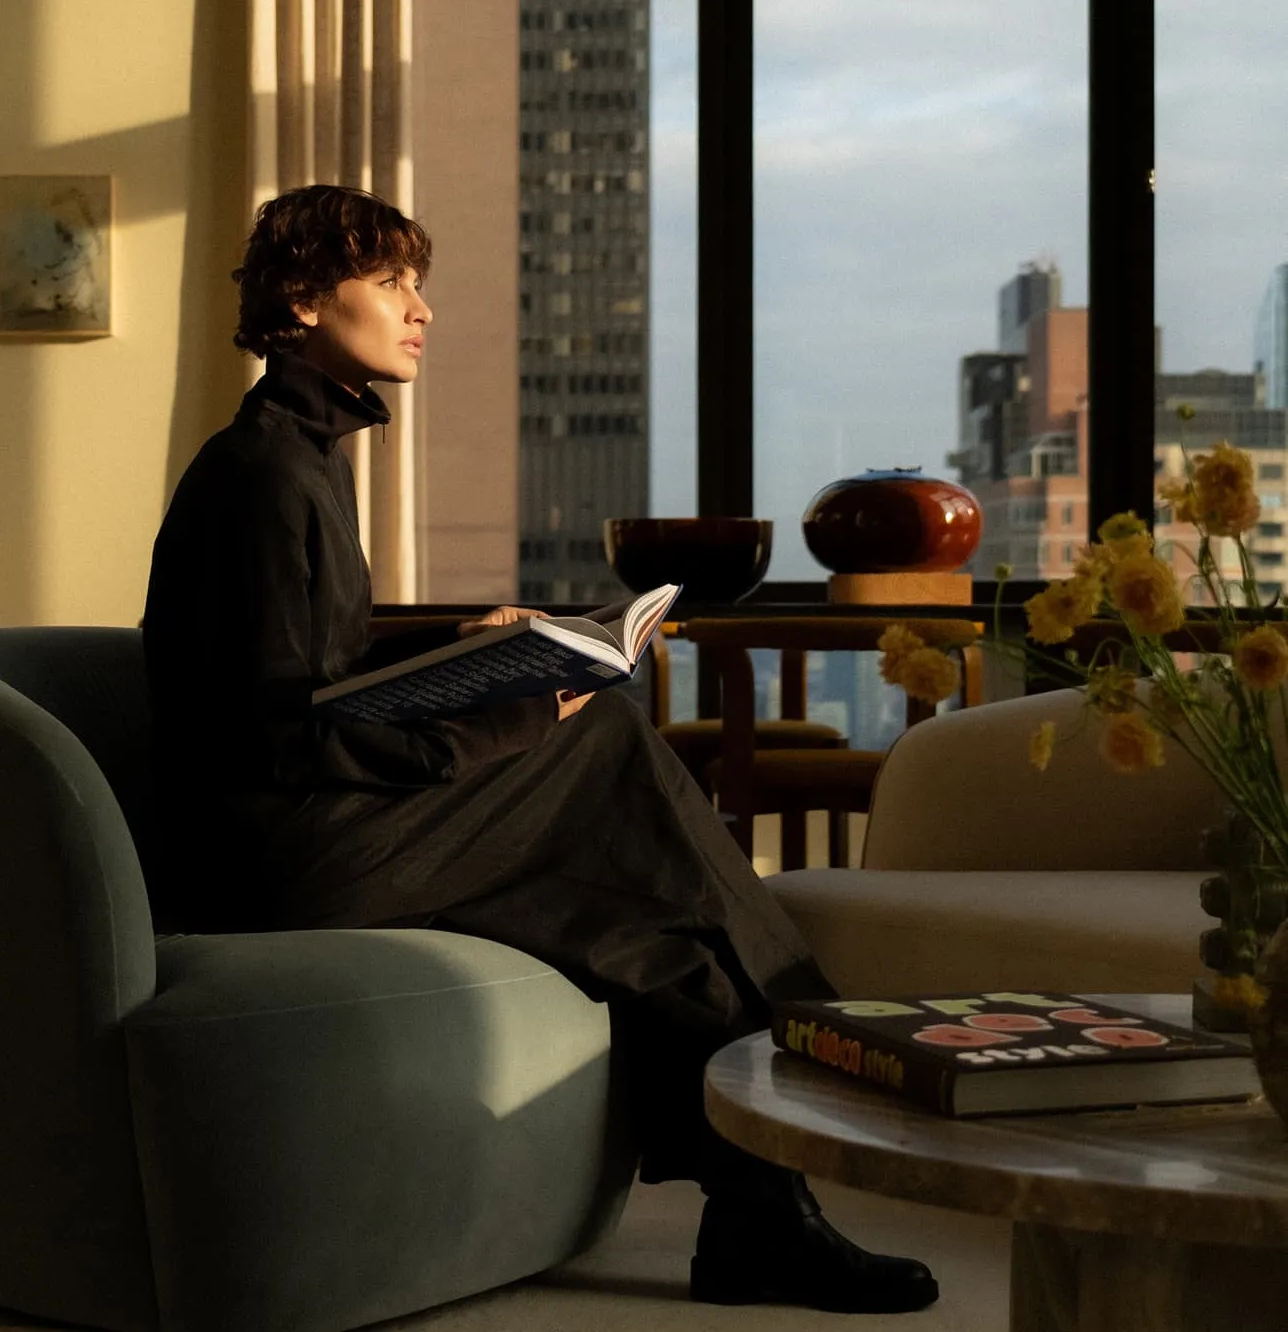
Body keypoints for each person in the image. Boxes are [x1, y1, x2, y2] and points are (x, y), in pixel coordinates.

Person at [142, 183, 938, 1316]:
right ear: (305, 301)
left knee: (657, 944)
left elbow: (312, 663)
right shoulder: (262, 474)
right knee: (600, 724)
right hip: (285, 854)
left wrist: (462, 646)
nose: (420, 308)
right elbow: (275, 735)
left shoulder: (300, 457)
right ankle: (816, 1022)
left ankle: (760, 1222)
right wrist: (519, 716)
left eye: (419, 284)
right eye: (391, 283)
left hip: (326, 825)